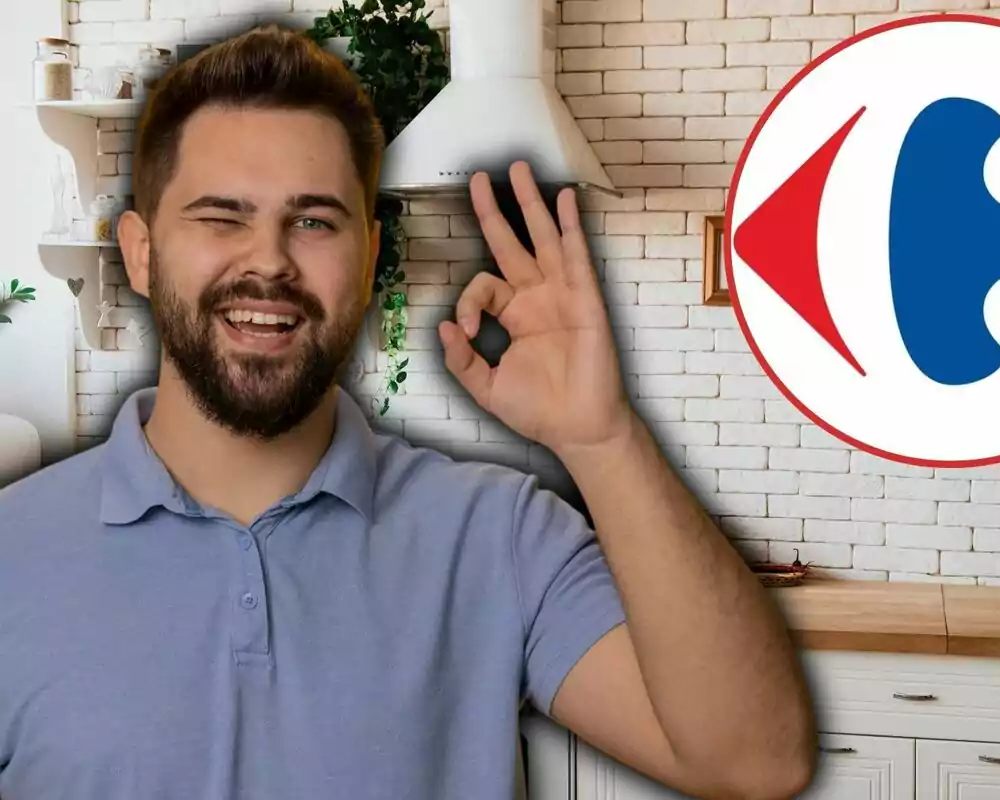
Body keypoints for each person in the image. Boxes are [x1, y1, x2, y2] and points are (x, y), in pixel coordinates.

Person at [0, 25, 816, 800]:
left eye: (314, 221)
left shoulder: (499, 535)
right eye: (221, 217)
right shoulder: (12, 553)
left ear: (367, 263)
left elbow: (755, 762)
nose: (270, 261)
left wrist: (602, 439)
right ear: (140, 252)